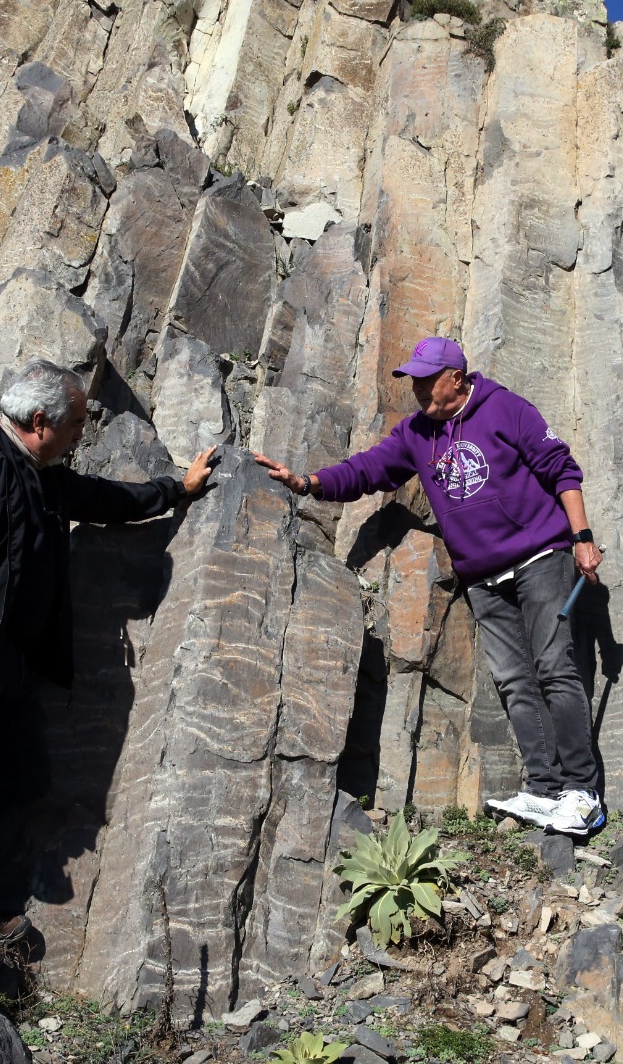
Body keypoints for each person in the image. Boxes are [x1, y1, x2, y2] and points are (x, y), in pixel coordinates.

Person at [0, 358, 216, 978]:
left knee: (23, 779)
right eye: (75, 427)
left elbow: (103, 498)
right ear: (39, 421)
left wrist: (177, 490)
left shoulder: (38, 470)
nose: (79, 438)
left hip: (4, 666)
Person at [254, 337, 605, 836]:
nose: (417, 389)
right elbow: (368, 470)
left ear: (457, 379)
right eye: (412, 379)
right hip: (482, 575)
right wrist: (308, 482)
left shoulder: (505, 407)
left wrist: (582, 536)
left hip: (541, 557)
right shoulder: (416, 434)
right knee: (512, 679)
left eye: (426, 379)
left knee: (554, 667)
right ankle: (546, 790)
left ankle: (582, 794)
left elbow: (562, 469)